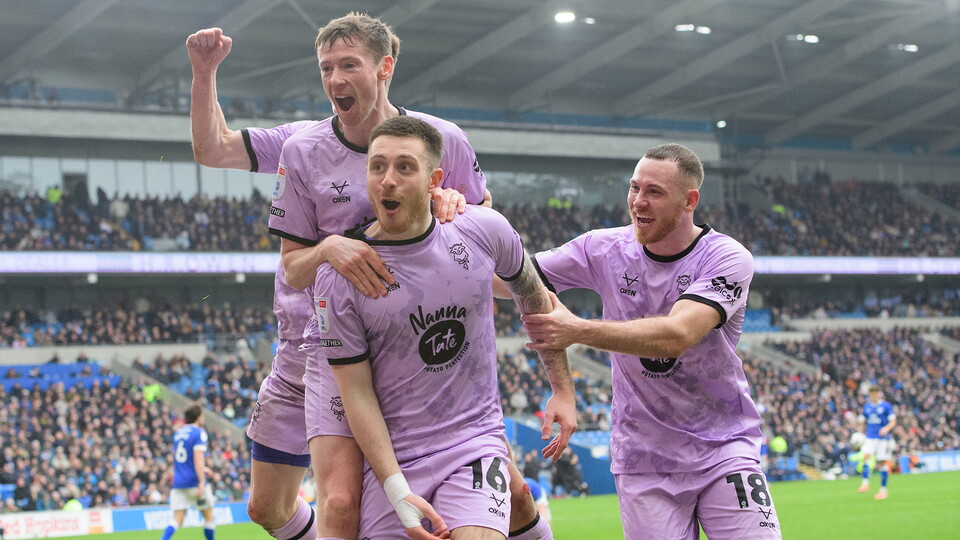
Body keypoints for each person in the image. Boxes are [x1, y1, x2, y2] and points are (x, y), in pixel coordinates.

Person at [187, 13, 544, 540]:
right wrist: (203, 72)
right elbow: (213, 149)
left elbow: (481, 228)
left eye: (347, 65)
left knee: (498, 495)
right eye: (326, 68)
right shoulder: (301, 145)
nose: (334, 80)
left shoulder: (439, 140)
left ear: (384, 68)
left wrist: (452, 204)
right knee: (270, 505)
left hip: (415, 340)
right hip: (313, 345)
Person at [309, 116, 577, 539]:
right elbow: (356, 392)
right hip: (395, 458)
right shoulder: (341, 277)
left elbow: (533, 296)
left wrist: (561, 388)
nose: (388, 181)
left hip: (473, 442)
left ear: (434, 178)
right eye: (377, 167)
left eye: (404, 167)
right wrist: (396, 490)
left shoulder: (484, 230)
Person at [517, 143, 782, 539]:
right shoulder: (602, 248)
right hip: (643, 459)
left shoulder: (726, 257)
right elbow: (510, 279)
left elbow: (676, 335)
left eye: (654, 192)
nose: (639, 201)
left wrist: (578, 330)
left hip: (723, 448)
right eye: (634, 188)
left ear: (689, 200)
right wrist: (445, 232)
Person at [162, 404, 215, 540]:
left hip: (179, 482)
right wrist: (202, 481)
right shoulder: (199, 433)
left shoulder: (178, 433)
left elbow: (183, 459)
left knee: (176, 520)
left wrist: (203, 468)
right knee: (209, 517)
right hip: (194, 482)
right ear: (198, 417)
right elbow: (197, 459)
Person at [858, 385, 896, 499]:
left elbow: (893, 421)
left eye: (875, 393)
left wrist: (886, 429)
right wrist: (860, 432)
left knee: (882, 463)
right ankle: (865, 483)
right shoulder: (867, 407)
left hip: (882, 439)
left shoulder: (886, 406)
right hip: (870, 437)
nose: (874, 396)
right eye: (871, 394)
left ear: (879, 394)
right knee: (866, 456)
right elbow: (861, 420)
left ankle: (883, 490)